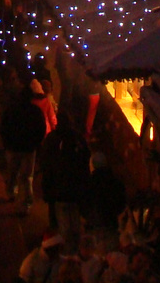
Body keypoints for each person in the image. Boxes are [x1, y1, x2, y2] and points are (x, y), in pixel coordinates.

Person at [41, 105, 91, 247]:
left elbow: (46, 164)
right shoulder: (78, 139)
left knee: (61, 219)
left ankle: (66, 247)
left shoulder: (52, 139)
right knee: (74, 217)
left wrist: (47, 187)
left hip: (58, 188)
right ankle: (75, 245)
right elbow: (85, 158)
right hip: (75, 187)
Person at [1, 81, 48, 211]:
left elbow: (3, 127)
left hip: (13, 147)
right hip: (28, 149)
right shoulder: (35, 111)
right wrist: (35, 143)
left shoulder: (11, 110)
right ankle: (27, 202)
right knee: (27, 177)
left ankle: (12, 193)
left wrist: (7, 143)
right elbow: (41, 129)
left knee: (12, 173)